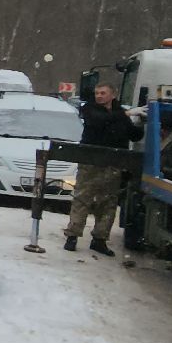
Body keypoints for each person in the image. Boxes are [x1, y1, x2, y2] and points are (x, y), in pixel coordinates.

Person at [65, 83, 144, 255]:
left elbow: (134, 135)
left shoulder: (120, 112)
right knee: (82, 198)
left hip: (113, 163)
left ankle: (100, 239)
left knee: (108, 202)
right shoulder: (89, 109)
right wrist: (126, 114)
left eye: (103, 93)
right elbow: (98, 121)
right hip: (90, 161)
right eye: (97, 93)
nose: (99, 96)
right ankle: (72, 236)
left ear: (113, 95)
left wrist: (142, 122)